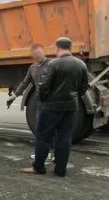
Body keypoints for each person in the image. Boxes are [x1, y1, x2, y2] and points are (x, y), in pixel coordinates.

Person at [21, 37, 89, 177]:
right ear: (70, 48)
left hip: (51, 107)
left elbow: (43, 87)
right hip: (71, 107)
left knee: (43, 137)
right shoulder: (81, 64)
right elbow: (83, 87)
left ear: (57, 48)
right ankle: (60, 170)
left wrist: (45, 100)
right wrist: (72, 98)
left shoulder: (53, 64)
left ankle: (38, 167)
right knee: (64, 138)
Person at [6, 44, 49, 108]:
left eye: (39, 53)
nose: (38, 55)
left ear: (44, 52)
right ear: (32, 56)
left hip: (52, 101)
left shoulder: (53, 64)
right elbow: (24, 83)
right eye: (35, 54)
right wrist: (13, 96)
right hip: (40, 102)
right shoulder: (32, 68)